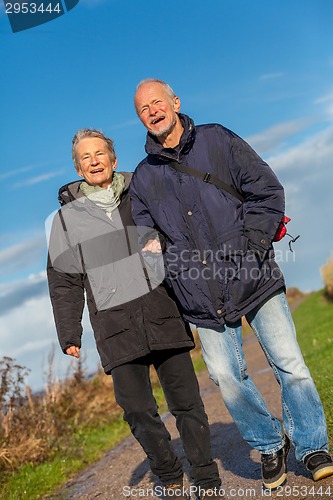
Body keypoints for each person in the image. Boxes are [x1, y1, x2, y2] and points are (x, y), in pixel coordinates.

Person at [129, 78, 333, 490]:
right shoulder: (144, 178)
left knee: (290, 365)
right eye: (142, 109)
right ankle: (270, 443)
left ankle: (312, 446)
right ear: (140, 119)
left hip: (253, 275)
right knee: (226, 378)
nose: (152, 111)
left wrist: (252, 244)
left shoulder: (218, 139)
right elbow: (144, 240)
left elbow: (266, 190)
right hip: (200, 295)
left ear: (175, 102)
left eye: (157, 102)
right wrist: (176, 270)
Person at [46, 129, 223, 500]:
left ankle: (206, 480)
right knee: (137, 411)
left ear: (113, 159)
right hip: (115, 327)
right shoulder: (66, 221)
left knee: (187, 403)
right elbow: (63, 279)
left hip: (162, 311)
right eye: (86, 157)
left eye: (100, 154)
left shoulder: (142, 193)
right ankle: (169, 475)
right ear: (78, 167)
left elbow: (177, 235)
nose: (94, 161)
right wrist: (70, 333)